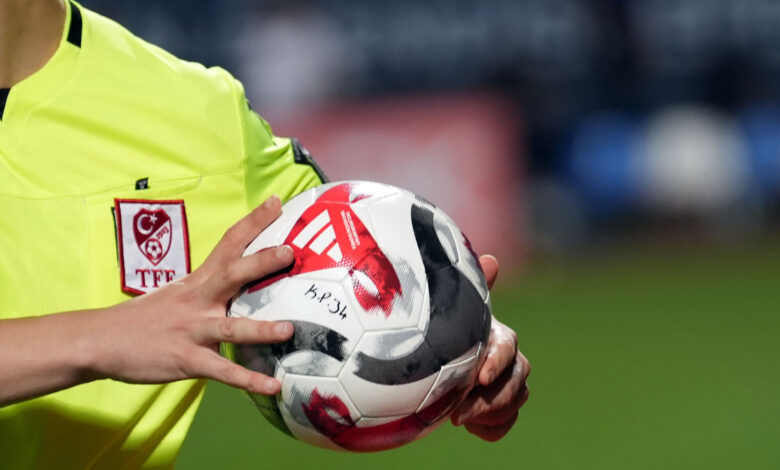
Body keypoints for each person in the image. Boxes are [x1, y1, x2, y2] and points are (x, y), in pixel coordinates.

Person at [0, 0, 531, 468]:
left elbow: (363, 276)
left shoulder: (194, 116)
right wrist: (100, 338)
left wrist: (459, 343)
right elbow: (124, 333)